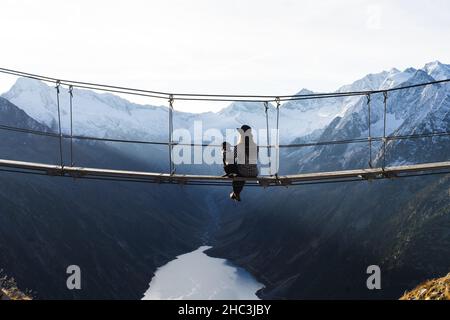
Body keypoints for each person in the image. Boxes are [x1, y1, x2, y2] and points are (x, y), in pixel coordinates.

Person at [222, 125, 258, 201]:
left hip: (243, 172)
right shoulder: (255, 146)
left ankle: (236, 193)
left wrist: (225, 151)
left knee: (232, 167)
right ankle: (236, 193)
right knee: (242, 169)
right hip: (254, 172)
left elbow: (231, 159)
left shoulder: (238, 146)